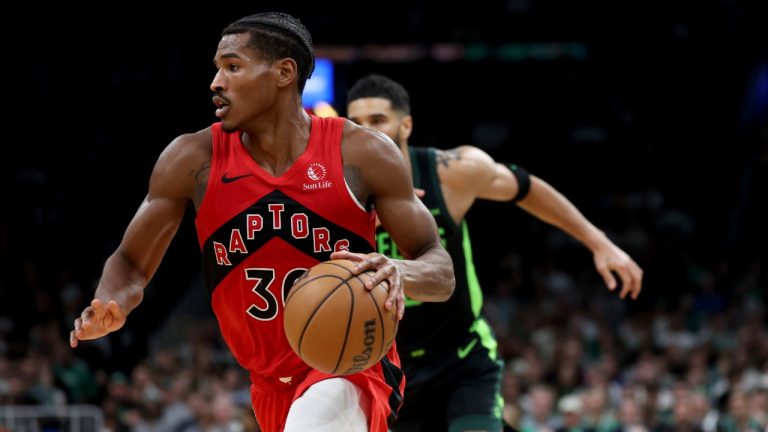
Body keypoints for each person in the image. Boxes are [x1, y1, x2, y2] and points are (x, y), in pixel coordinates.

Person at [69, 14, 455, 432]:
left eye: (233, 67)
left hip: (352, 364)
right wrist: (113, 301)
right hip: (269, 386)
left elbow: (440, 269)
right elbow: (130, 261)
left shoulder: (362, 153)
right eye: (217, 68)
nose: (216, 82)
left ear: (284, 73)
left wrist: (399, 270)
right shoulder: (192, 159)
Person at [346, 74, 643, 432]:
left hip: (462, 357)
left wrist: (600, 243)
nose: (367, 132)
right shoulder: (341, 195)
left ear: (406, 125)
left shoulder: (451, 172)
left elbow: (527, 188)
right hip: (389, 366)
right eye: (356, 124)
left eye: (378, 120)